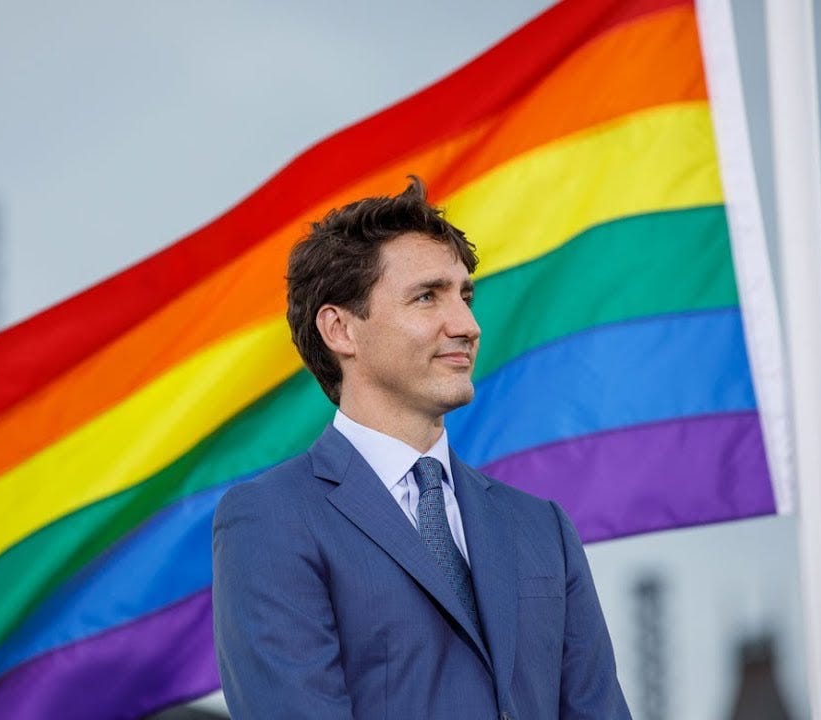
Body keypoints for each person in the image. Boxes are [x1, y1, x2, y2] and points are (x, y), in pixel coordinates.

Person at [210, 176, 632, 719]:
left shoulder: (543, 528)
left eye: (465, 296)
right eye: (427, 296)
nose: (467, 325)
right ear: (340, 329)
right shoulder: (271, 519)